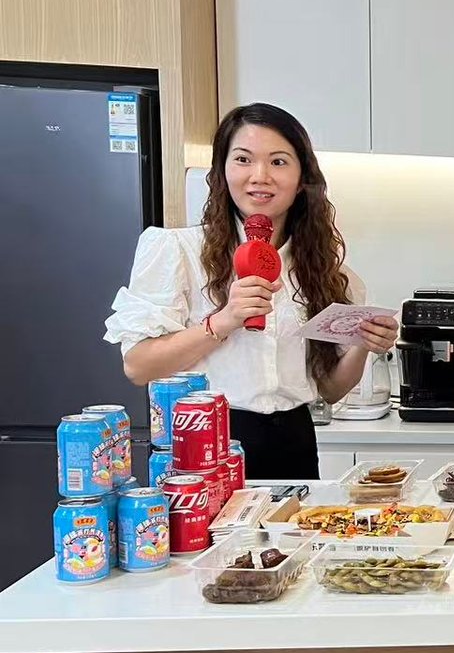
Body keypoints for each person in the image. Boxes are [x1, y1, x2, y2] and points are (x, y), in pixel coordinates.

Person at [106, 102, 397, 479]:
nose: (260, 176)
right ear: (222, 171)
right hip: (206, 442)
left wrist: (362, 344)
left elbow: (329, 390)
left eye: (278, 162)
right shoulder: (177, 252)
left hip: (294, 443)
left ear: (302, 179)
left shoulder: (327, 273)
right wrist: (224, 320)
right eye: (243, 159)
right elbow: (138, 366)